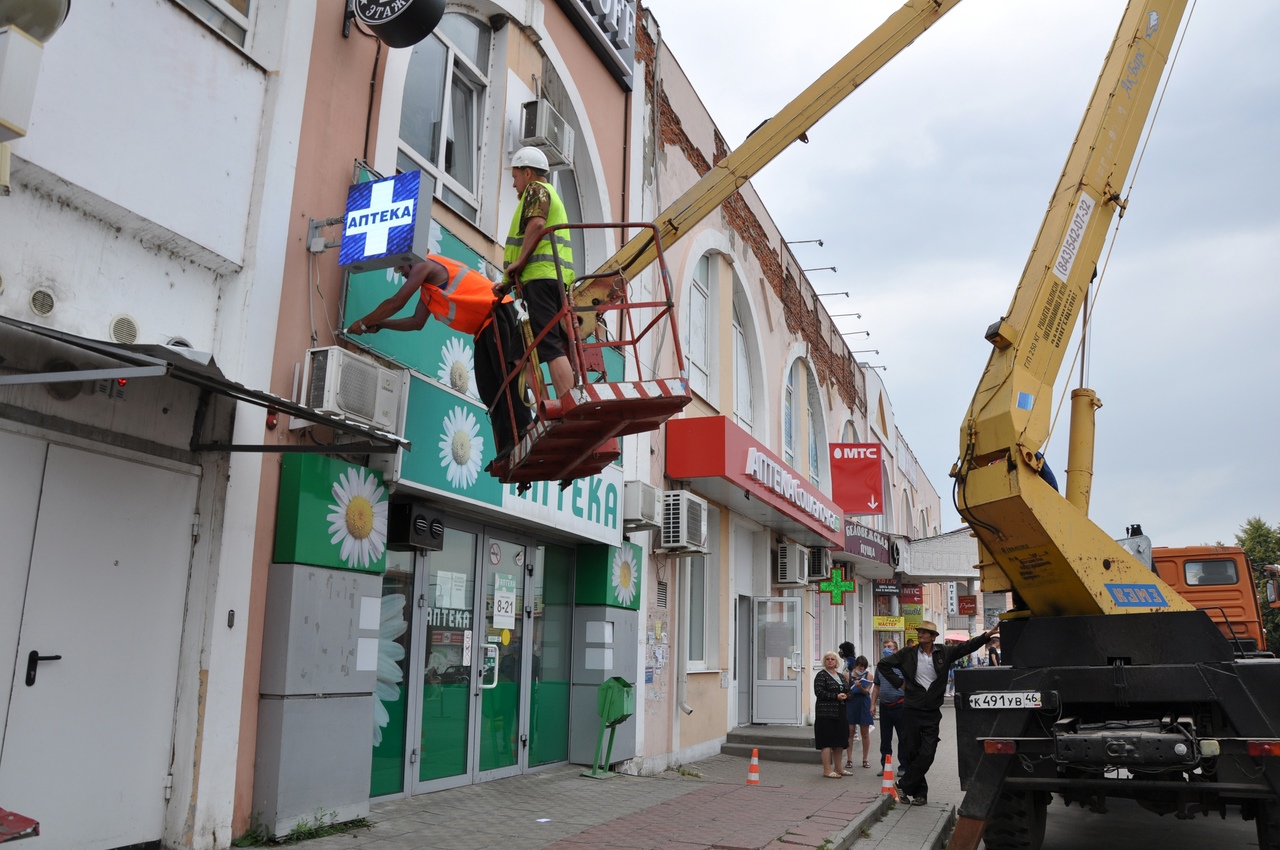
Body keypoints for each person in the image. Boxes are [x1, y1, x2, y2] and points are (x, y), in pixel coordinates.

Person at [346, 255, 532, 459]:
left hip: (497, 311)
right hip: (483, 327)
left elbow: (396, 302)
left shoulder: (424, 264)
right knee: (489, 389)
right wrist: (381, 325)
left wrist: (363, 323)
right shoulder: (427, 292)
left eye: (402, 269)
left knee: (506, 377)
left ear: (411, 260)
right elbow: (416, 322)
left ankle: (524, 431)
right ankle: (507, 443)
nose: (403, 275)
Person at [877, 619, 999, 806]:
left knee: (928, 752)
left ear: (933, 637)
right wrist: (899, 683)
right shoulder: (907, 652)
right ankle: (920, 794)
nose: (921, 634)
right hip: (911, 709)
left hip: (932, 711)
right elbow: (883, 665)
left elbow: (967, 646)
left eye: (925, 632)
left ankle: (903, 785)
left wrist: (986, 636)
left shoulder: (944, 652)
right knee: (913, 752)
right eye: (920, 632)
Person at [503, 146, 576, 400]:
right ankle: (547, 406)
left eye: (515, 177)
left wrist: (520, 263)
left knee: (549, 346)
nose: (514, 184)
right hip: (539, 281)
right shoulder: (545, 193)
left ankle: (568, 405)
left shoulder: (537, 190)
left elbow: (537, 224)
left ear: (527, 172)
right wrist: (506, 283)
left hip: (541, 279)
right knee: (517, 353)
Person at [813, 651, 851, 779]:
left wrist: (846, 696)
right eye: (827, 659)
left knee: (839, 742)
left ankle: (839, 768)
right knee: (827, 742)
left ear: (836, 662)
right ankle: (827, 769)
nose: (830, 661)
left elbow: (848, 690)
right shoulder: (821, 675)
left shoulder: (840, 676)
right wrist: (835, 696)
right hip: (826, 714)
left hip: (840, 713)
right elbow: (819, 692)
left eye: (832, 659)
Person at [871, 639, 905, 777]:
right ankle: (885, 766)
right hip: (885, 706)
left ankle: (903, 766)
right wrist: (872, 704)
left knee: (903, 738)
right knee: (885, 739)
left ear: (896, 649)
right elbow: (876, 686)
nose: (886, 649)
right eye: (884, 647)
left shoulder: (903, 665)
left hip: (900, 705)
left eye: (889, 647)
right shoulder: (880, 666)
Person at [846, 655, 874, 769]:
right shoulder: (848, 675)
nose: (861, 670)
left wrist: (861, 687)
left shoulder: (869, 675)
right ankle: (849, 759)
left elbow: (867, 691)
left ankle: (865, 759)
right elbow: (846, 690)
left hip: (864, 702)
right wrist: (853, 686)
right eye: (859, 667)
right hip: (852, 702)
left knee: (865, 732)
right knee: (850, 731)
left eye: (863, 668)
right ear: (855, 666)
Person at [837, 641, 858, 761]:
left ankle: (853, 731)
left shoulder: (850, 661)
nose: (840, 652)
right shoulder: (847, 661)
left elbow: (851, 674)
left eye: (841, 650)